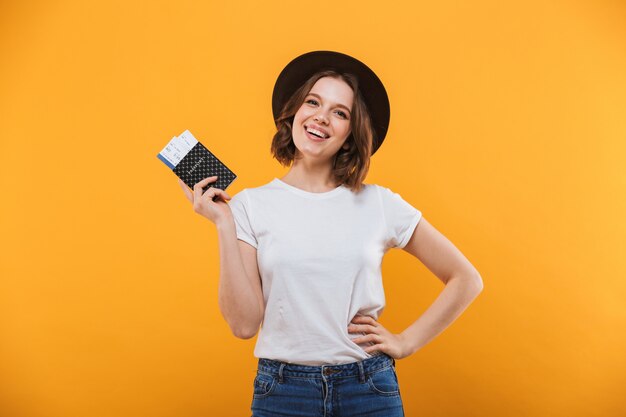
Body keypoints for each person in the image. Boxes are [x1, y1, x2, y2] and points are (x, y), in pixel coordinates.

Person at [178, 50, 484, 417]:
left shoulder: (379, 204)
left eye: (340, 113)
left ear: (351, 134)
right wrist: (224, 224)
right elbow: (243, 326)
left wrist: (406, 342)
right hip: (282, 392)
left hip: (368, 388)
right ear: (294, 112)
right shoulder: (247, 206)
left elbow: (467, 278)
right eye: (313, 102)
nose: (321, 117)